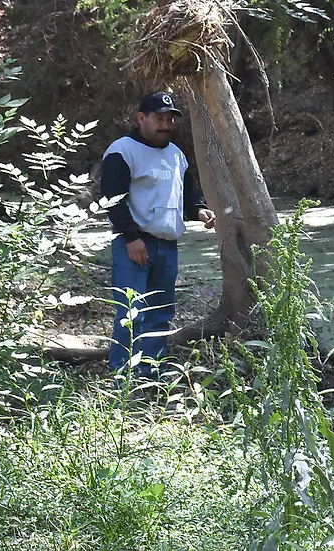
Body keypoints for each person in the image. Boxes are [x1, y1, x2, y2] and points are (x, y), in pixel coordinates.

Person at [100, 91, 216, 378]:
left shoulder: (176, 154)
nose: (165, 125)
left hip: (168, 247)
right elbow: (112, 199)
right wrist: (131, 238)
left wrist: (199, 211)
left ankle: (151, 377)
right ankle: (123, 380)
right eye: (159, 119)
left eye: (169, 120)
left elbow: (187, 194)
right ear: (142, 118)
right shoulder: (122, 151)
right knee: (131, 315)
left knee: (160, 315)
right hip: (134, 245)